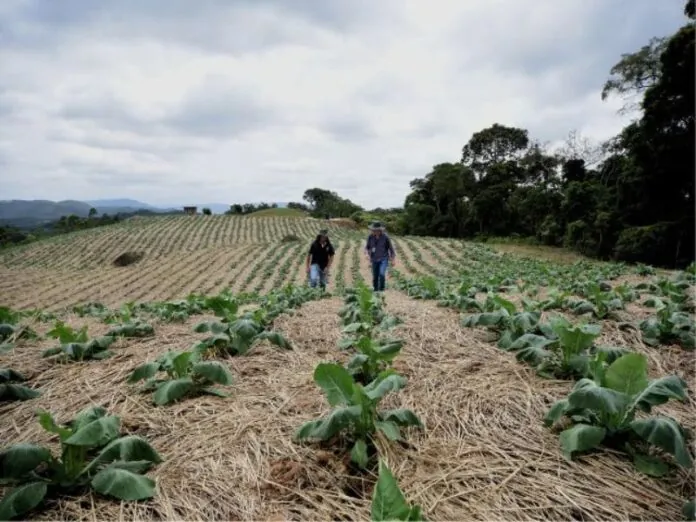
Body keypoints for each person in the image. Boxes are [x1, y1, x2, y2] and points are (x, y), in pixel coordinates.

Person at [364, 221, 395, 292]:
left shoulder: (385, 237)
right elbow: (367, 247)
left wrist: (393, 259)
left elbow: (391, 248)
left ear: (380, 230)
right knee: (375, 277)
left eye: (377, 230)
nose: (375, 232)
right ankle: (375, 290)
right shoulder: (370, 237)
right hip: (374, 259)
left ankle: (381, 289)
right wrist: (366, 254)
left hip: (383, 258)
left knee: (381, 274)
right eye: (374, 230)